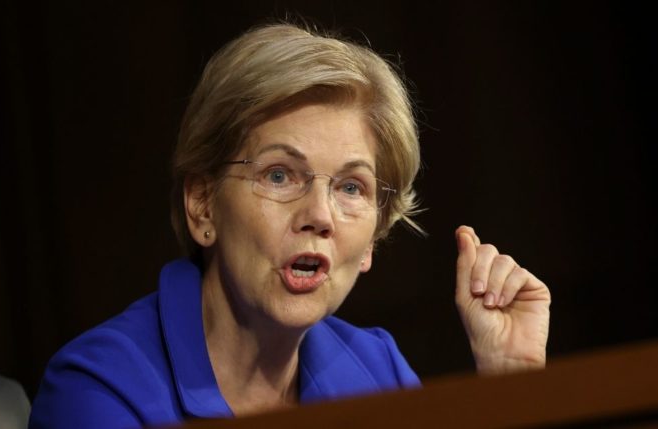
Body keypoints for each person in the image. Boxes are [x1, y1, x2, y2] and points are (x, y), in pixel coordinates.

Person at [28, 22, 551, 428]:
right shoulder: (100, 390)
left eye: (351, 188)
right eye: (280, 175)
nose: (320, 216)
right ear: (202, 205)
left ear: (372, 241)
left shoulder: (377, 371)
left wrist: (511, 384)